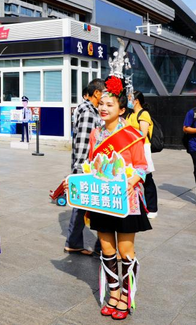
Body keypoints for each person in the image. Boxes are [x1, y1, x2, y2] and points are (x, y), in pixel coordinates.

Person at [86, 73, 150, 321]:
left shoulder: (132, 134)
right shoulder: (95, 135)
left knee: (125, 250)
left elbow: (143, 167)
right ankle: (113, 293)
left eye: (109, 104)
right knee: (106, 248)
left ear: (122, 109)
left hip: (125, 200)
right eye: (101, 103)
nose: (103, 107)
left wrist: (129, 181)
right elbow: (92, 164)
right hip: (102, 199)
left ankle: (126, 294)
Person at [65, 79, 104, 256]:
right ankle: (99, 246)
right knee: (85, 206)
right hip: (86, 167)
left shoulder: (88, 110)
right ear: (97, 93)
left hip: (87, 167)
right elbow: (83, 143)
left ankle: (75, 242)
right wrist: (79, 170)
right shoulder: (88, 113)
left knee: (83, 207)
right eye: (105, 93)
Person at [126, 91, 157, 218]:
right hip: (131, 149)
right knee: (134, 178)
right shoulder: (130, 115)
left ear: (136, 100)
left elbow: (143, 133)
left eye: (129, 99)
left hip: (142, 148)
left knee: (147, 178)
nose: (128, 101)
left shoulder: (143, 114)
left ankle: (152, 208)